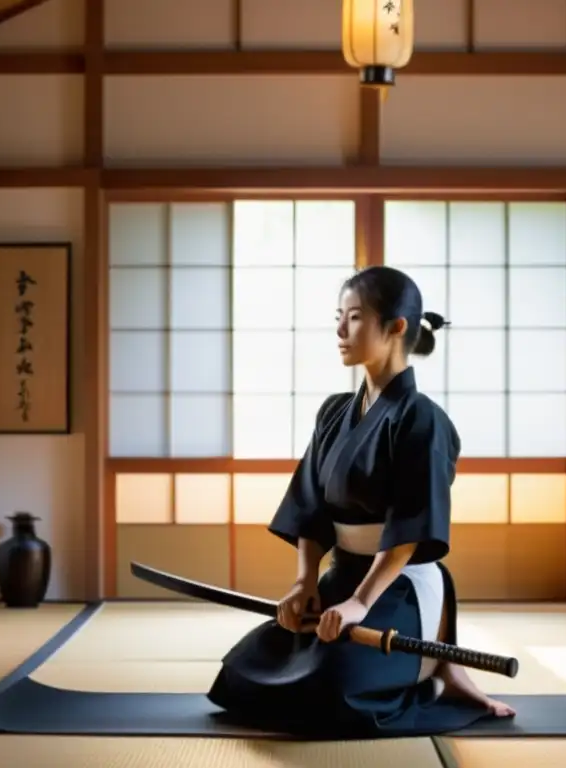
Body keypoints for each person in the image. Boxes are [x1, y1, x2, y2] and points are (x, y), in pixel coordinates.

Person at [206, 265, 515, 738]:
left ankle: (436, 670)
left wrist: (359, 604)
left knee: (335, 691)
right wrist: (305, 582)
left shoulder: (422, 420)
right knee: (242, 676)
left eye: (353, 318)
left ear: (396, 328)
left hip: (398, 584)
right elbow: (309, 504)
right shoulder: (334, 411)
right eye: (338, 316)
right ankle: (425, 670)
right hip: (343, 577)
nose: (339, 330)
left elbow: (411, 527)